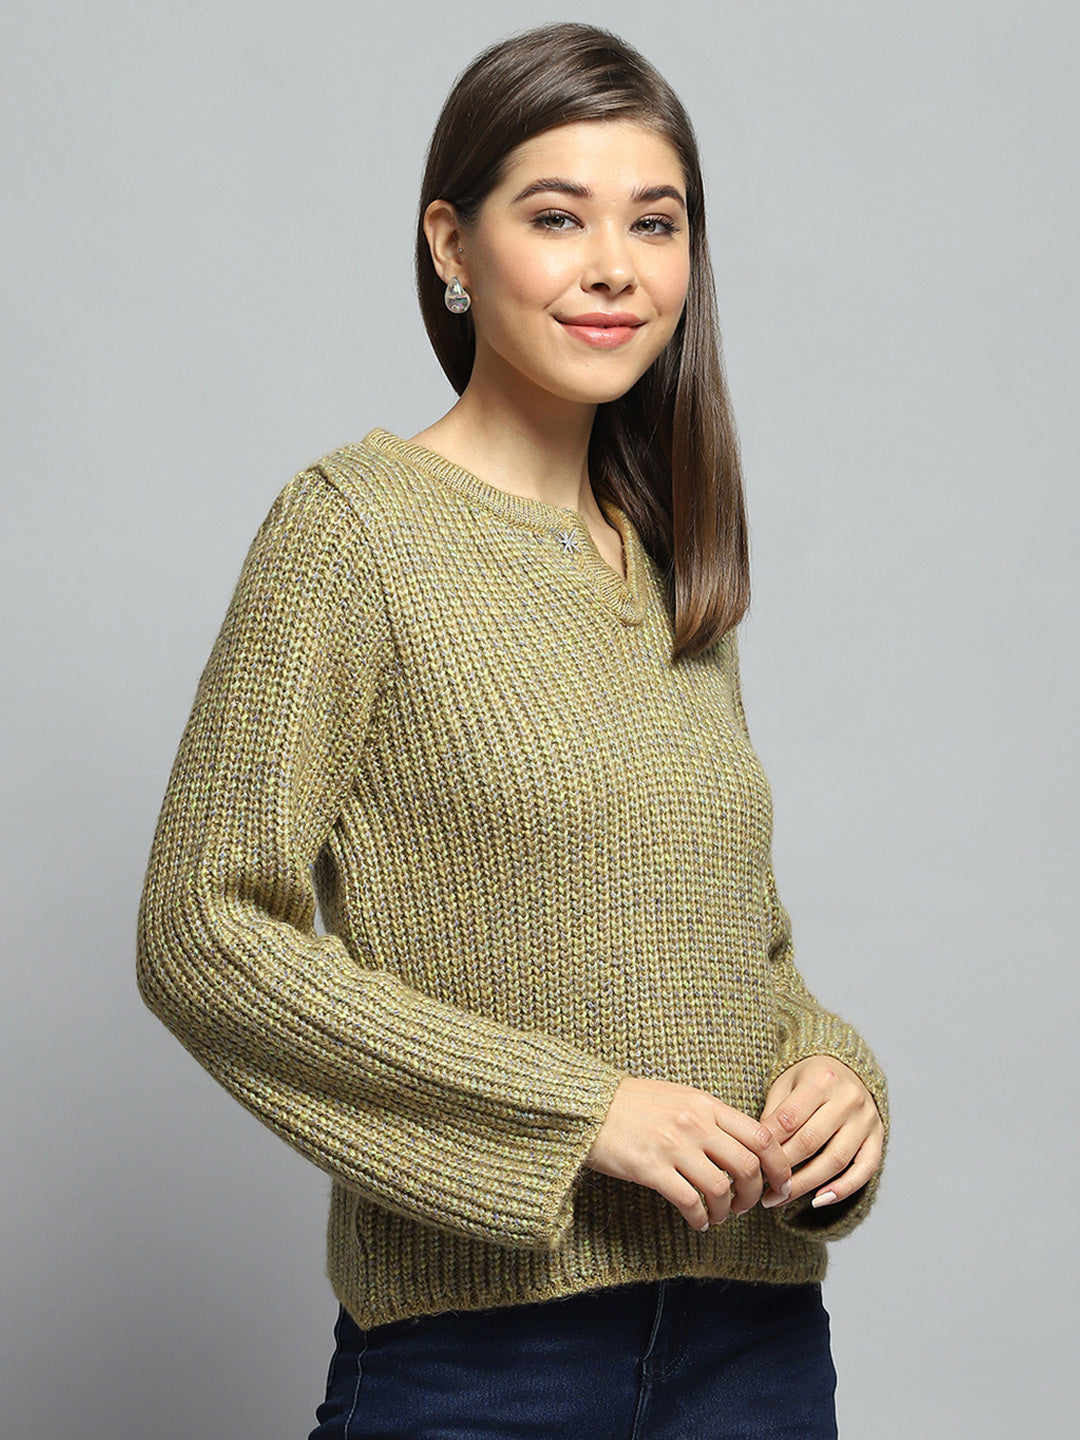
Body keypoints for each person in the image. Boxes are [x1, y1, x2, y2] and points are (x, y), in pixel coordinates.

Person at [136, 21, 888, 1439]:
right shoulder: (353, 532)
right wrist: (575, 1113)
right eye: (557, 217)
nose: (615, 267)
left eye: (654, 222)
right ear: (452, 246)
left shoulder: (670, 563)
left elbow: (738, 946)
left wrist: (834, 1076)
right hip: (487, 1363)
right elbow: (200, 929)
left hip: (758, 1347)